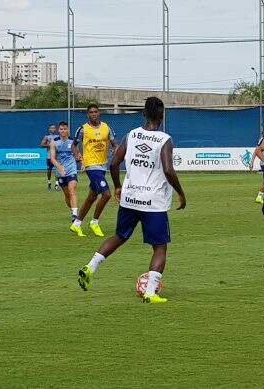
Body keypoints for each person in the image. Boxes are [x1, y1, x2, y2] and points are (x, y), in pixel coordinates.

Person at [77, 97, 186, 304]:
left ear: (144, 113)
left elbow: (114, 164)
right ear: (162, 115)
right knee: (160, 247)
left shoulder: (132, 135)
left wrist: (118, 186)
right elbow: (169, 169)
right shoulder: (164, 139)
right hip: (153, 202)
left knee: (119, 235)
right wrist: (181, 193)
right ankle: (151, 292)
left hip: (130, 197)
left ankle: (90, 267)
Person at [72, 104, 117, 237]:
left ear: (99, 113)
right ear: (88, 114)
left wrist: (117, 152)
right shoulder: (83, 129)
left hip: (103, 165)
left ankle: (77, 224)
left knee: (92, 196)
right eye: (91, 112)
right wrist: (78, 156)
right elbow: (74, 145)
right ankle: (94, 222)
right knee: (107, 194)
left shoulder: (106, 127)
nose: (93, 114)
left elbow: (114, 144)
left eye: (95, 112)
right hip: (91, 165)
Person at [49, 121, 85, 236]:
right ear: (59, 131)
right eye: (61, 129)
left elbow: (77, 154)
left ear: (68, 130)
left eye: (65, 129)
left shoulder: (72, 142)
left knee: (72, 190)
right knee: (67, 195)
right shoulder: (54, 143)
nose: (63, 131)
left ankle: (75, 216)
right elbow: (52, 159)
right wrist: (59, 167)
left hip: (71, 170)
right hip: (61, 172)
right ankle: (72, 209)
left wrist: (82, 162)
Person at [39, 124, 60, 191]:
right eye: (51, 128)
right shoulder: (47, 137)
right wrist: (49, 145)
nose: (53, 129)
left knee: (58, 170)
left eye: (54, 128)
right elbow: (42, 145)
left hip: (56, 157)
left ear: (55, 129)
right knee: (49, 170)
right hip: (49, 156)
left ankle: (57, 184)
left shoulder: (58, 136)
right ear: (49, 129)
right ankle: (49, 183)